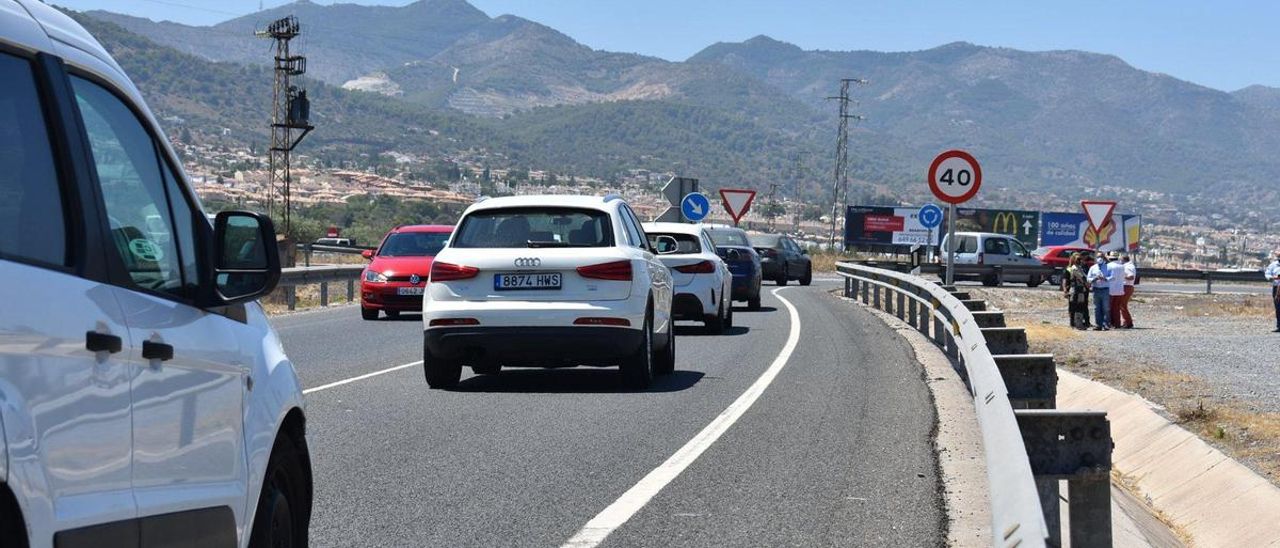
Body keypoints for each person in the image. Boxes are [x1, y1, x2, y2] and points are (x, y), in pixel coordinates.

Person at [1062, 252, 1090, 329]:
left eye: (1080, 259)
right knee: (1073, 307)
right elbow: (1065, 280)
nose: (1080, 260)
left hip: (1081, 290)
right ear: (1074, 259)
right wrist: (1065, 291)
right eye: (1078, 259)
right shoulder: (1071, 269)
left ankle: (1079, 323)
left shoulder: (1080, 268)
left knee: (1081, 306)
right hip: (1074, 290)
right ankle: (1074, 323)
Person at [1087, 252, 1112, 330]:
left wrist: (1105, 278)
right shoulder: (1093, 267)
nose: (1099, 258)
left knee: (1106, 308)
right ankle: (1098, 325)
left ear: (1104, 258)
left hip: (1105, 289)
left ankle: (1106, 324)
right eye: (1098, 257)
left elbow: (1112, 277)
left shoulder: (1108, 267)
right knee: (1097, 308)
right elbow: (1088, 278)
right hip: (1096, 289)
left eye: (1101, 256)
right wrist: (1094, 279)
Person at [1108, 252, 1127, 329]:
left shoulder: (1108, 266)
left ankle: (1110, 323)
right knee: (1116, 308)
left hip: (1110, 290)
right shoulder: (1122, 266)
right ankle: (1117, 324)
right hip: (1120, 290)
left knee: (1109, 308)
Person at [1118, 254, 1137, 328]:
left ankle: (1128, 322)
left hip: (1126, 286)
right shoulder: (1130, 266)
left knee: (1122, 305)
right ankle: (1127, 321)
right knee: (1123, 305)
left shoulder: (1128, 267)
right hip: (1128, 286)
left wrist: (1121, 276)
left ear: (1123, 260)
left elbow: (1131, 276)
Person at [1267, 251, 1280, 333]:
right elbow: (1267, 274)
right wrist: (1273, 277)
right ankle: (1279, 326)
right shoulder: (1273, 265)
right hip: (1276, 288)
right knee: (1278, 307)